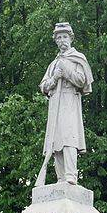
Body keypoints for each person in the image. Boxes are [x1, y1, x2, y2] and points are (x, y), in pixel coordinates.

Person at [37, 22, 93, 186]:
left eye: (65, 37)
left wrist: (66, 71)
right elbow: (43, 86)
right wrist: (54, 78)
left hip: (69, 101)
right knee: (56, 141)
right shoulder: (53, 63)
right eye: (59, 37)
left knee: (69, 138)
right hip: (55, 103)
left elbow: (82, 80)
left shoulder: (78, 58)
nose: (62, 40)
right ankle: (60, 177)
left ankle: (70, 174)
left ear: (71, 38)